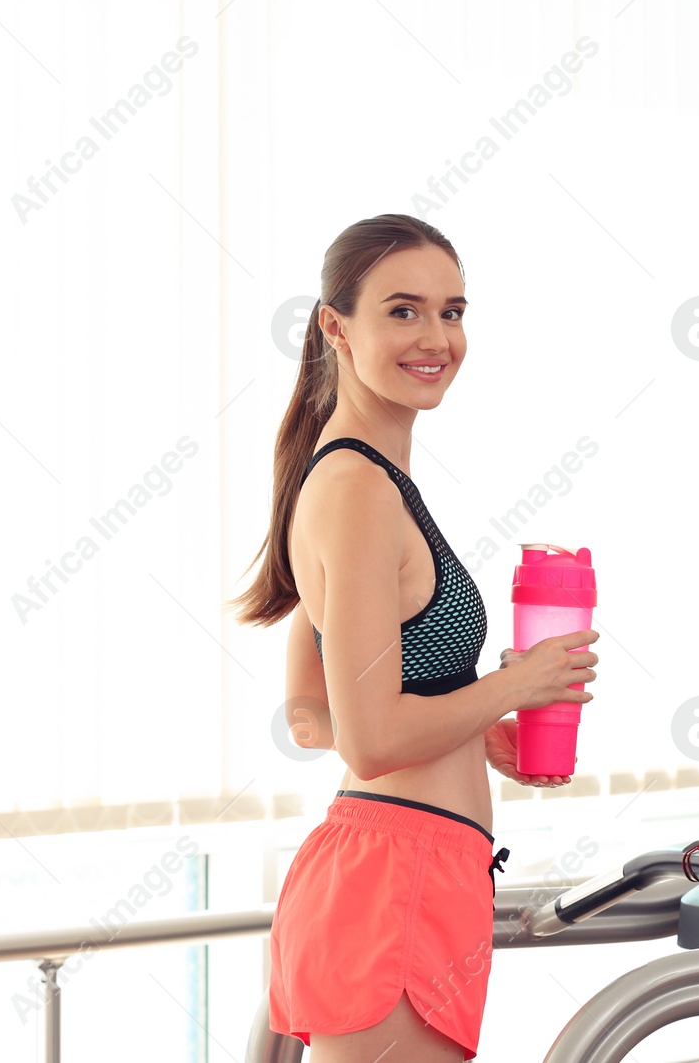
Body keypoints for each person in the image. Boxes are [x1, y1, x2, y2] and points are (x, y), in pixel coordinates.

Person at [228, 213, 600, 1061]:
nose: (436, 336)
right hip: (394, 888)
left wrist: (474, 728)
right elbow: (373, 735)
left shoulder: (360, 474)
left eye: (453, 310)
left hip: (401, 875)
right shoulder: (357, 486)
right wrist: (518, 684)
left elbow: (310, 712)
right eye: (403, 311)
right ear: (335, 325)